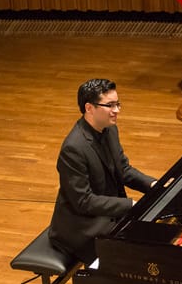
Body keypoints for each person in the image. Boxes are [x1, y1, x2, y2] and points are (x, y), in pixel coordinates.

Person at [48, 78, 157, 264]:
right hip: (81, 225)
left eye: (118, 104)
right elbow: (83, 201)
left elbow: (123, 170)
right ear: (89, 108)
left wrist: (154, 185)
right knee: (134, 249)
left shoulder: (109, 130)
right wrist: (128, 205)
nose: (117, 110)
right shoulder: (73, 148)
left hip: (103, 212)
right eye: (110, 105)